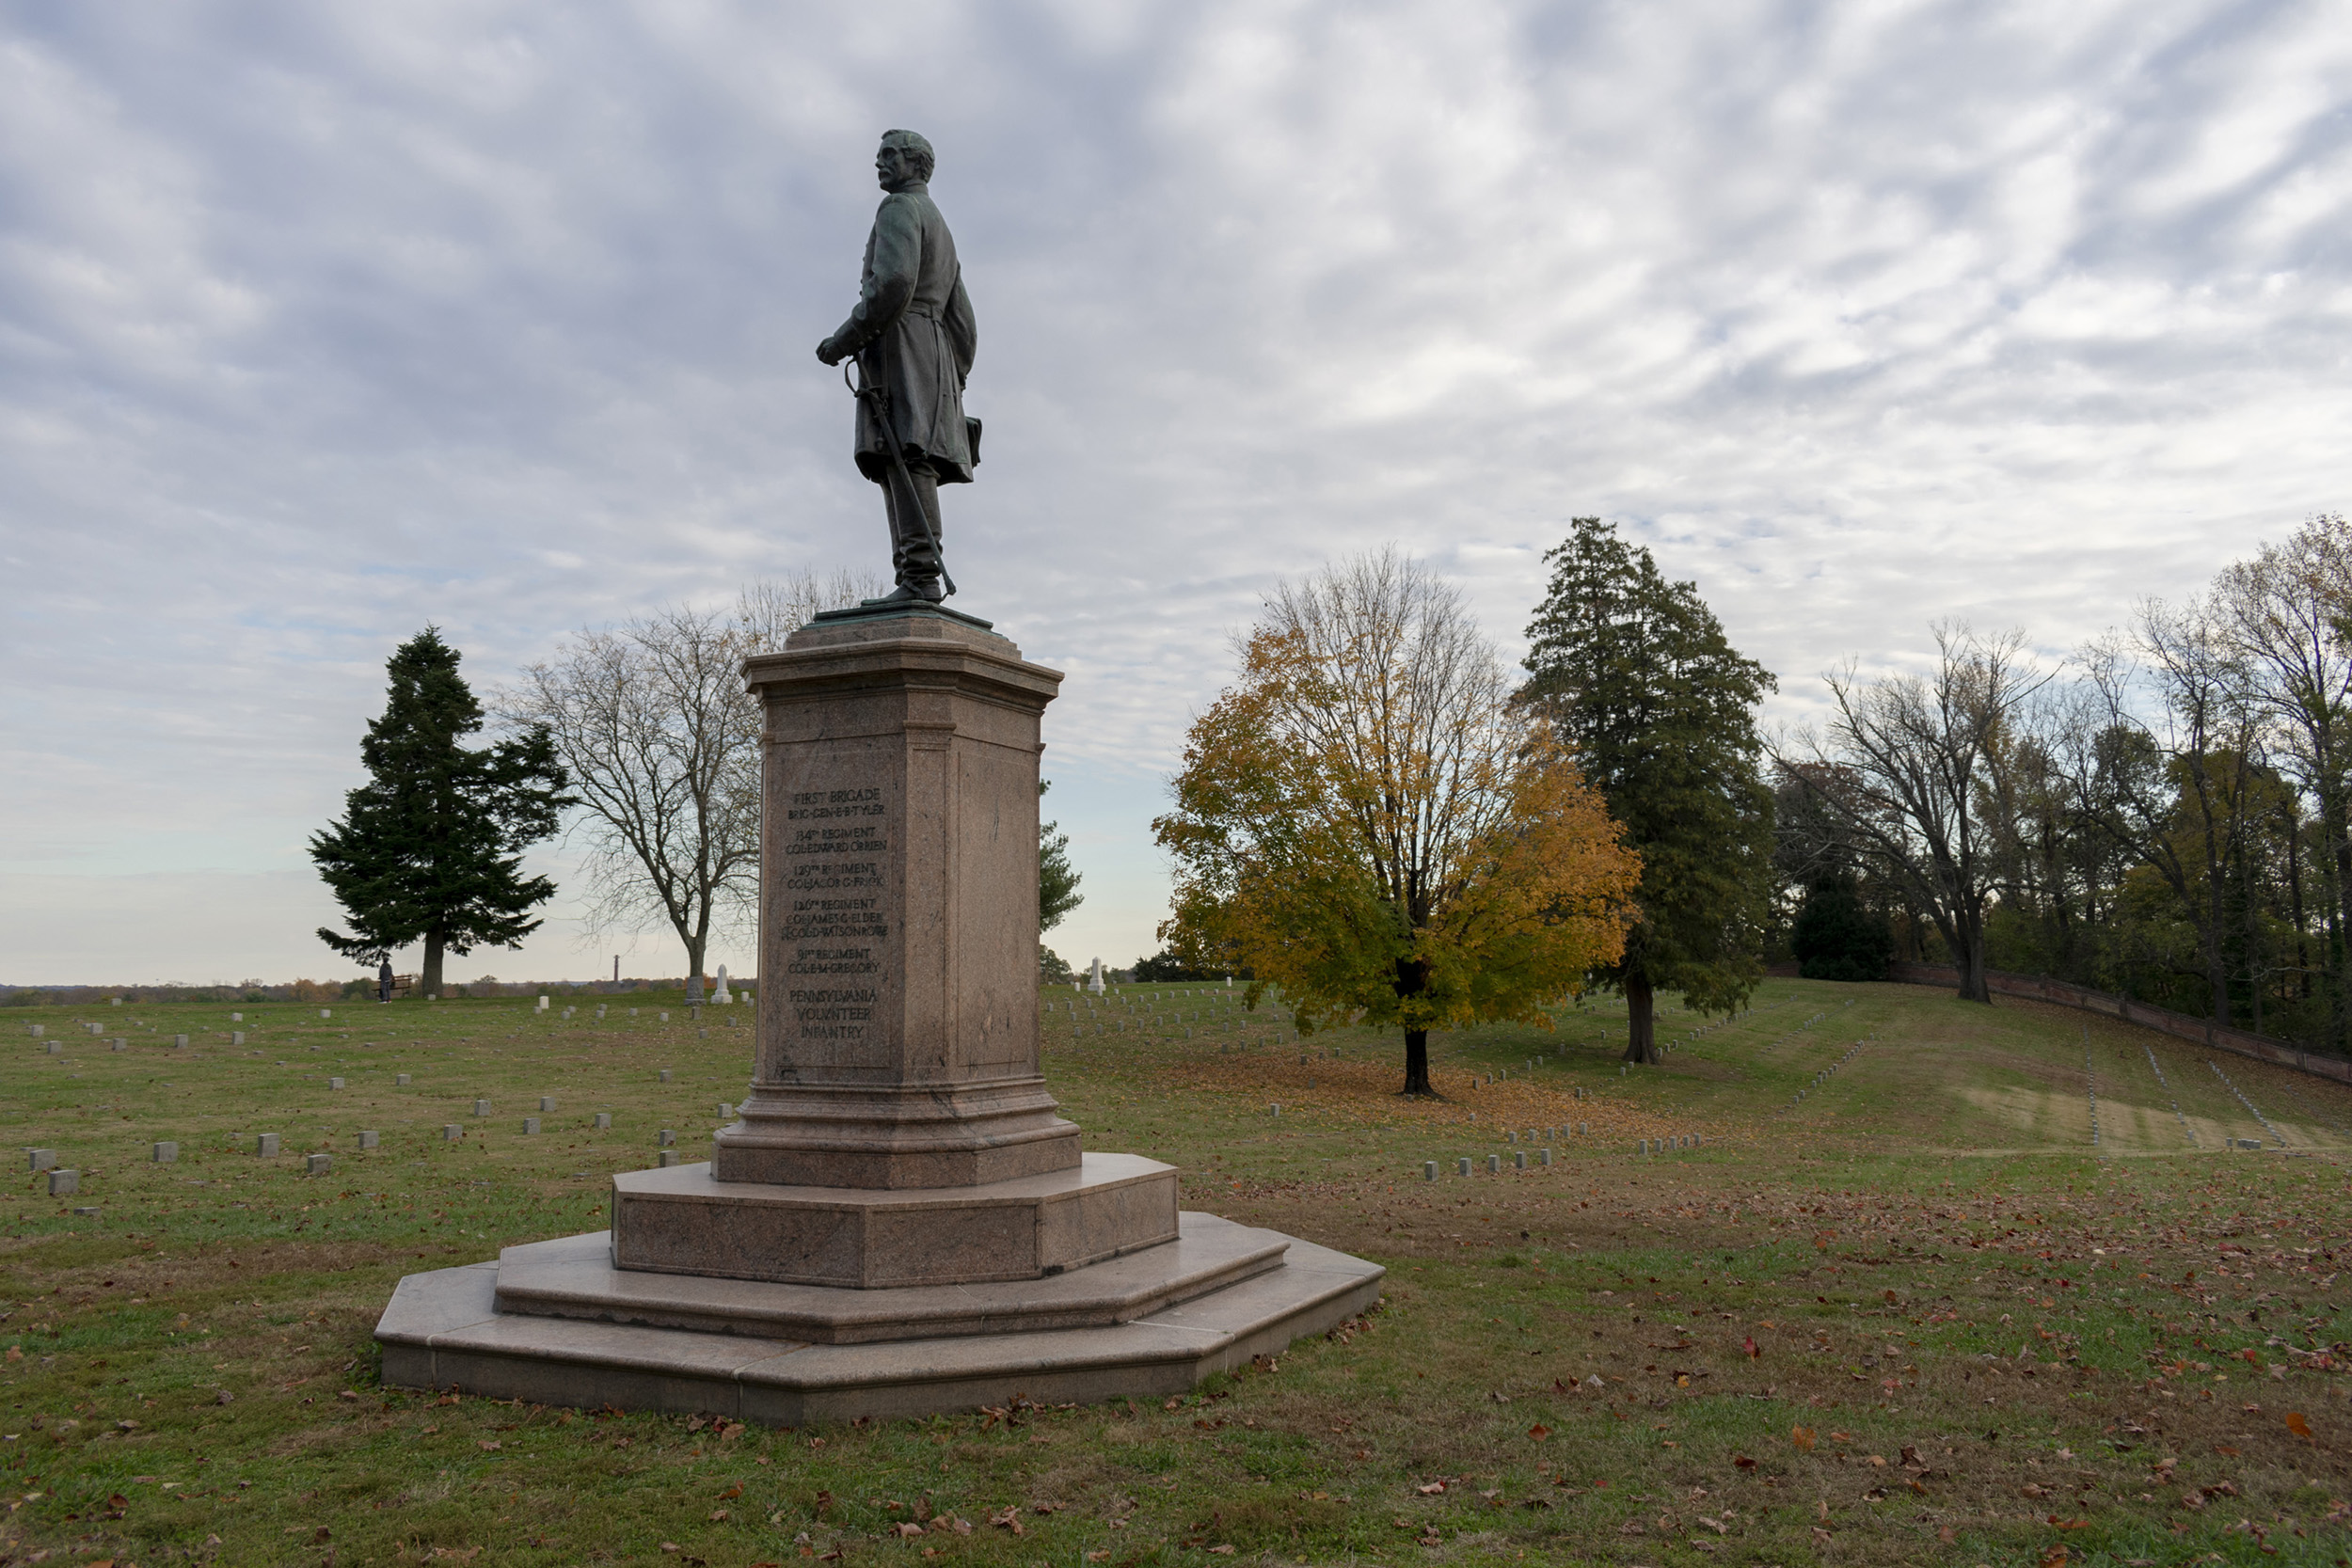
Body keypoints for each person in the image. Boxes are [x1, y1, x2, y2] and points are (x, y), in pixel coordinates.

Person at [816, 130, 977, 605]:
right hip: (932, 348)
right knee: (910, 457)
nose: (879, 164)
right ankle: (916, 574)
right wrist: (952, 374)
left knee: (905, 455)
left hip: (902, 341)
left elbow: (893, 283)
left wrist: (843, 340)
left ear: (915, 163)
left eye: (888, 156)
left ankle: (920, 576)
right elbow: (963, 318)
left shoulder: (899, 209)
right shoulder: (938, 222)